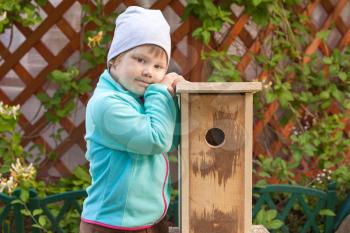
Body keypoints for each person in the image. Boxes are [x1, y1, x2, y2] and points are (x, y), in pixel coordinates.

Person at [80, 6, 186, 233]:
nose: (149, 71)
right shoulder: (106, 105)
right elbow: (156, 140)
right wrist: (159, 92)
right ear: (115, 60)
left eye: (159, 66)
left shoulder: (140, 99)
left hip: (149, 220)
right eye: (140, 60)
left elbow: (174, 139)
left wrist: (176, 98)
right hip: (112, 225)